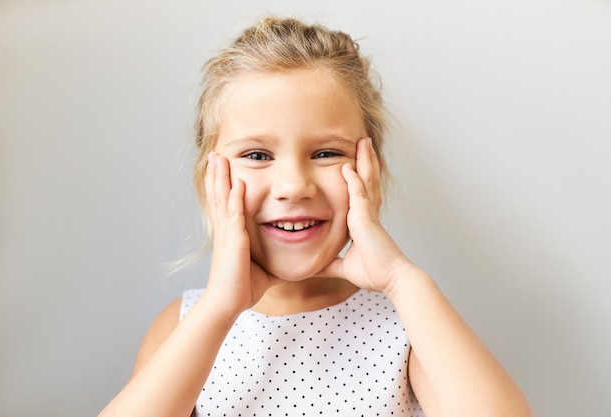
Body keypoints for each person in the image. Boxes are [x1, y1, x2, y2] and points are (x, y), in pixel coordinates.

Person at [99, 16, 532, 417]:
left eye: (326, 153)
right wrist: (219, 309)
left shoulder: (409, 326)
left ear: (369, 175)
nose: (293, 185)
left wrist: (403, 280)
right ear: (209, 184)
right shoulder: (186, 323)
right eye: (257, 154)